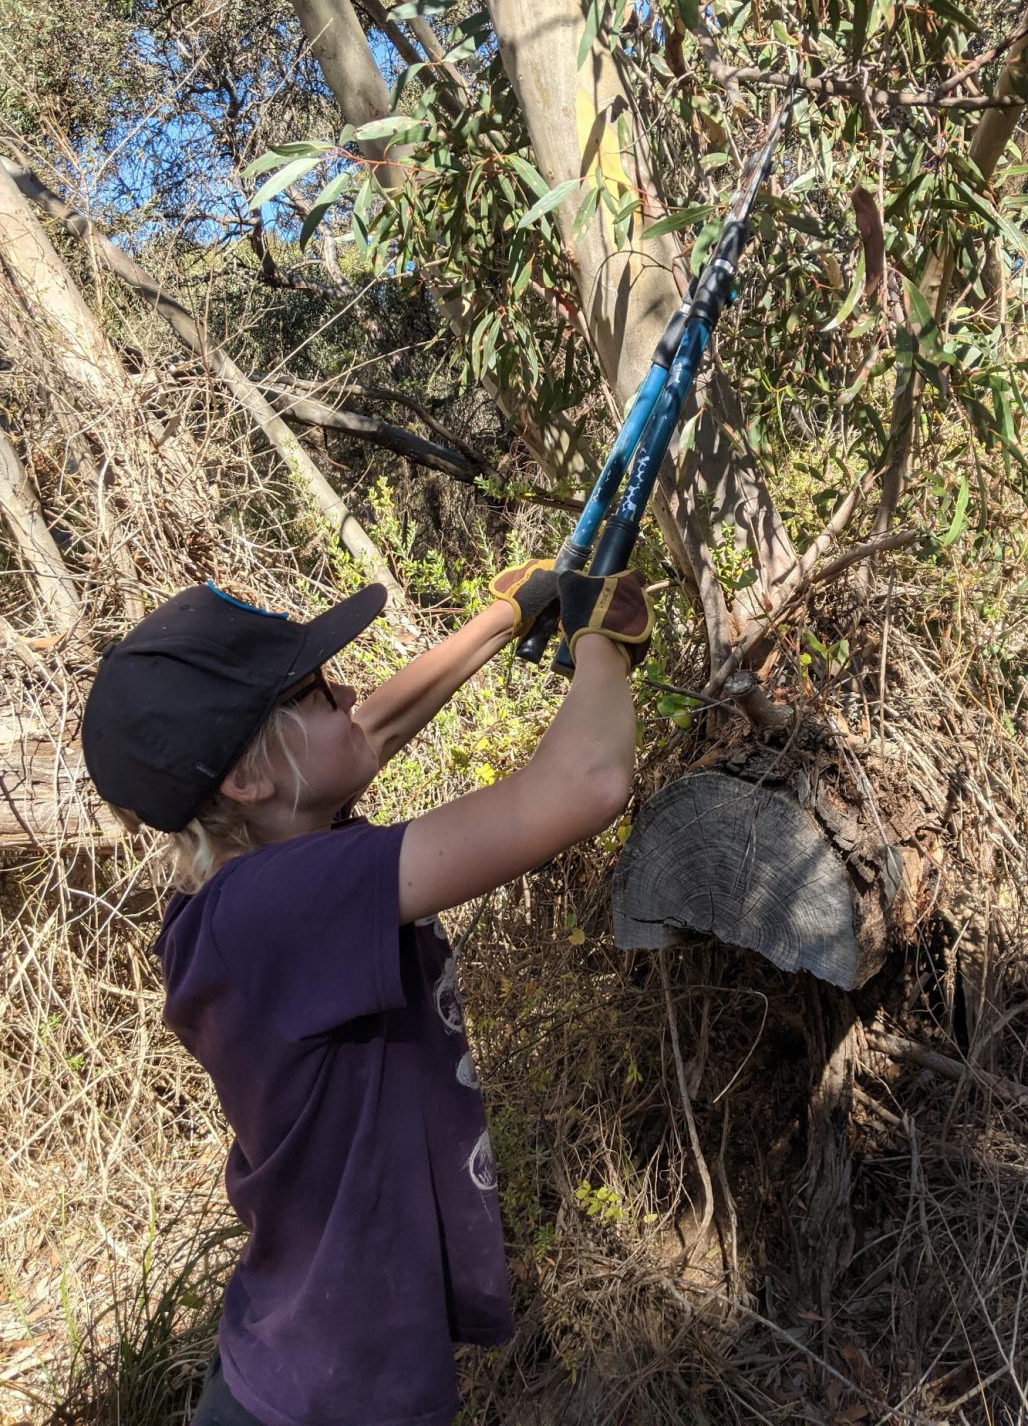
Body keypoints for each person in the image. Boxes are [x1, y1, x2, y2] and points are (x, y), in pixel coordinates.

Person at [81, 561, 653, 1426]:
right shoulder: (279, 907)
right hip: (332, 1397)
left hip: (306, 1366)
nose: (348, 690)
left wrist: (504, 618)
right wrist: (602, 640)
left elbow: (369, 731)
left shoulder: (243, 884)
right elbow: (584, 786)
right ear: (247, 781)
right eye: (314, 692)